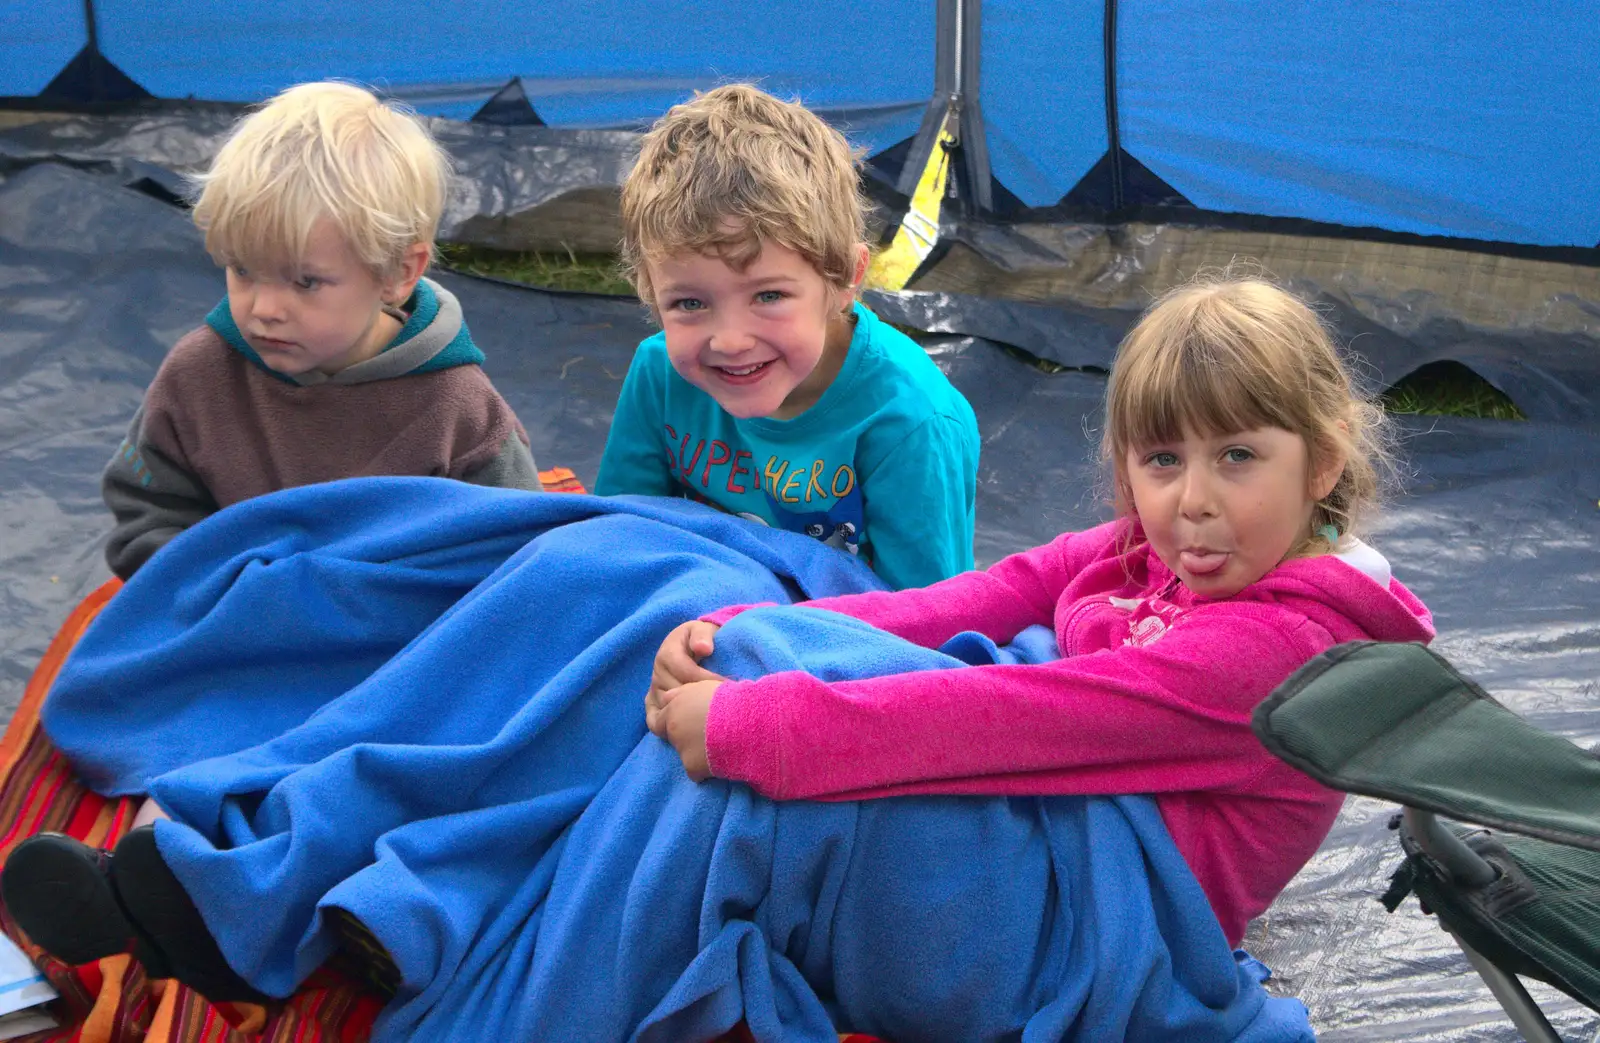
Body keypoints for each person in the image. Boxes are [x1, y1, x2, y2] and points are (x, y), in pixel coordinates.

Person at [648, 275, 1436, 947]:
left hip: (1094, 915)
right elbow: (993, 591)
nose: (1194, 500)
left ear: (1322, 460)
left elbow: (1015, 717)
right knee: (752, 658)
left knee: (770, 817)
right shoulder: (1151, 546)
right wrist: (762, 624)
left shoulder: (1282, 653)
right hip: (1056, 819)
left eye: (1238, 455)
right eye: (1163, 459)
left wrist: (760, 729)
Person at [102, 80, 540, 581]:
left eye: (306, 281)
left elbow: (518, 556)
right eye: (243, 270)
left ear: (398, 274)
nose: (264, 309)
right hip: (234, 626)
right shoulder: (198, 377)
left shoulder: (457, 409)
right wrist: (226, 591)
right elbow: (147, 516)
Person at [595, 84, 980, 591]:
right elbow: (618, 545)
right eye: (690, 304)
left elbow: (928, 622)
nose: (730, 341)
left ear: (844, 279)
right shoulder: (660, 374)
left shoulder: (911, 422)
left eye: (769, 296)